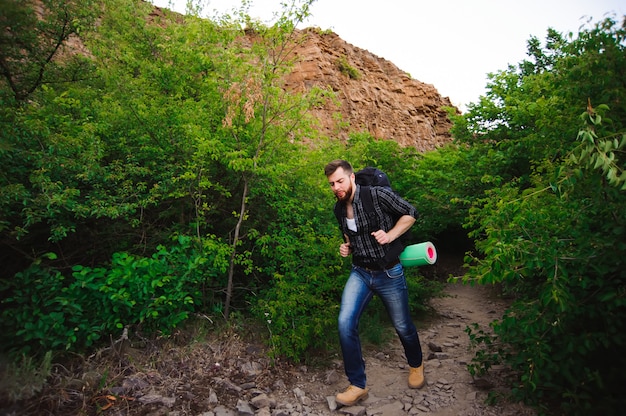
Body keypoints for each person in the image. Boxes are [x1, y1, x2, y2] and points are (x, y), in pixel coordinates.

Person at [324, 159, 425, 407]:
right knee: (345, 323)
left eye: (339, 181)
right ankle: (358, 385)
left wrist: (390, 235)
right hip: (360, 272)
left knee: (402, 326)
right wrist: (346, 246)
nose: (336, 187)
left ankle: (416, 365)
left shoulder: (377, 195)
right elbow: (350, 234)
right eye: (331, 184)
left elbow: (411, 213)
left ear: (351, 178)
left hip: (389, 273)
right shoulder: (338, 209)